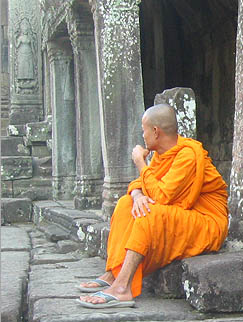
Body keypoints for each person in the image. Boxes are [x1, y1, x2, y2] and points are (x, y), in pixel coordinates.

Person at [76, 104, 229, 309]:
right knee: (125, 204)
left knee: (150, 212)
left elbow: (162, 196)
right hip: (183, 214)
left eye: (144, 130)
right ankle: (114, 272)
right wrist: (138, 195)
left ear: (156, 132)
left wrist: (140, 163)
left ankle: (122, 287)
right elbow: (141, 184)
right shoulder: (160, 154)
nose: (143, 135)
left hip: (207, 222)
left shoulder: (187, 155)